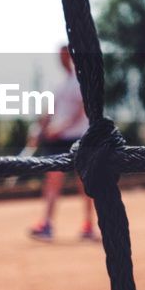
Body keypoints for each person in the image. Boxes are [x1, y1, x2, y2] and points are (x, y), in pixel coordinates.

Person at [28, 45, 96, 242]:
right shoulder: (60, 84)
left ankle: (88, 226)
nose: (62, 59)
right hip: (58, 141)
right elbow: (49, 112)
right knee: (52, 181)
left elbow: (81, 111)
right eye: (60, 55)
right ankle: (47, 224)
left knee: (84, 184)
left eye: (65, 54)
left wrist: (59, 129)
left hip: (78, 139)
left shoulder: (80, 82)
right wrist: (39, 129)